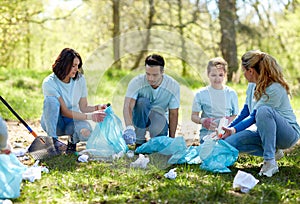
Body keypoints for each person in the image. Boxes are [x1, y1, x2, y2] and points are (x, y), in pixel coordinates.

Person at [222, 50, 300, 177]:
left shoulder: (275, 88)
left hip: (287, 135)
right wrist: (228, 129)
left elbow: (254, 116)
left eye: (244, 70)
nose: (243, 74)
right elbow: (246, 112)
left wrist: (234, 130)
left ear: (251, 71)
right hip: (266, 132)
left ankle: (269, 162)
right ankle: (274, 151)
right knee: (229, 142)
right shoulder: (252, 85)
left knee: (263, 111)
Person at [40, 48, 107, 153]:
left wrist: (98, 108)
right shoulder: (49, 83)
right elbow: (64, 111)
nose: (76, 69)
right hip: (56, 122)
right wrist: (91, 117)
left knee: (86, 133)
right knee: (51, 102)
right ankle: (52, 142)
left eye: (78, 66)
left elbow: (83, 107)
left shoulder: (80, 79)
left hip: (72, 120)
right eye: (73, 66)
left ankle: (72, 140)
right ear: (64, 64)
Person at [122, 54, 180, 146]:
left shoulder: (173, 86)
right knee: (142, 102)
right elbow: (128, 106)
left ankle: (156, 141)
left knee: (158, 144)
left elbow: (173, 113)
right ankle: (139, 141)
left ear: (162, 72)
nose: (150, 78)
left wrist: (171, 139)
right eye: (148, 74)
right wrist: (129, 127)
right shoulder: (137, 82)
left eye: (154, 75)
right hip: (140, 117)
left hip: (159, 119)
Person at [191, 57, 239, 143]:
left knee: (224, 149)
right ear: (208, 74)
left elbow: (236, 115)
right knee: (209, 149)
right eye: (213, 75)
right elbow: (194, 116)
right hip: (207, 133)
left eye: (220, 75)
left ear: (225, 75)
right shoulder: (201, 94)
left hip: (226, 133)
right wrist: (203, 121)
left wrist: (230, 120)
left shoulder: (231, 93)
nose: (217, 79)